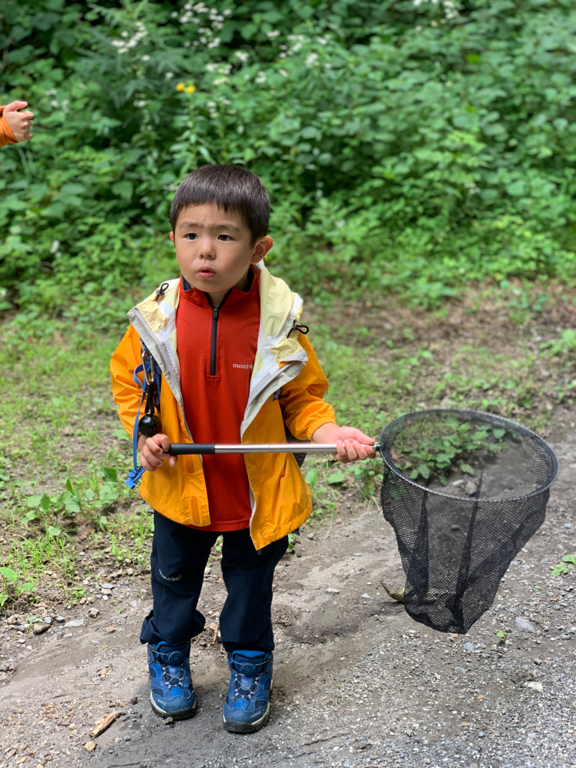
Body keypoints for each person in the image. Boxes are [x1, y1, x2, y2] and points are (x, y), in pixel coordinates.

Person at [110, 164, 375, 734]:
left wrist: (327, 433)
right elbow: (131, 386)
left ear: (258, 248)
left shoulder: (279, 323)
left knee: (251, 588)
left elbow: (303, 398)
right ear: (174, 238)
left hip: (257, 494)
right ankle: (168, 653)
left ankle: (251, 663)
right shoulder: (155, 320)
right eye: (191, 234)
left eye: (224, 237)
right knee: (173, 582)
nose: (205, 251)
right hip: (181, 488)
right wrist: (147, 433)